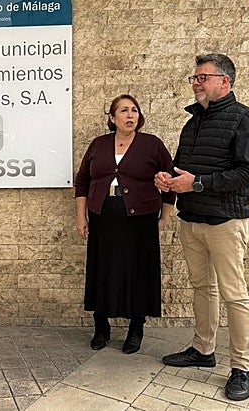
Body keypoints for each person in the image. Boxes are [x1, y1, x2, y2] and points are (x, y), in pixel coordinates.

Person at [155, 53, 249, 402]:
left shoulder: (244, 119)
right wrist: (166, 178)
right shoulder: (193, 123)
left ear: (224, 81)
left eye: (203, 77)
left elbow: (248, 174)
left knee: (234, 295)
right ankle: (203, 350)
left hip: (225, 222)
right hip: (192, 220)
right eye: (195, 78)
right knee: (202, 288)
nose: (196, 83)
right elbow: (182, 167)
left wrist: (198, 183)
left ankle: (242, 368)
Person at [74, 94, 175, 354]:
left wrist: (165, 215)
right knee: (102, 269)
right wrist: (81, 216)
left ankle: (136, 327)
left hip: (140, 221)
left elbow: (170, 179)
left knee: (138, 271)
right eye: (123, 110)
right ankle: (101, 325)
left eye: (134, 110)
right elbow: (83, 181)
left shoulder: (152, 144)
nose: (130, 115)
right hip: (103, 218)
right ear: (112, 117)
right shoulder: (98, 145)